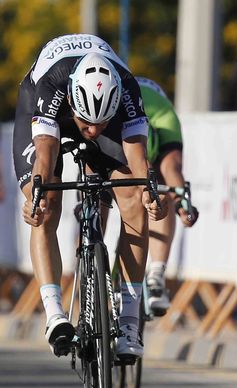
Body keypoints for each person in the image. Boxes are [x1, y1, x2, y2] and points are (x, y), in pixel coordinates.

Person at [13, 34, 167, 359]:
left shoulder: (127, 88)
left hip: (100, 103)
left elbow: (138, 157)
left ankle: (129, 321)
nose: (94, 131)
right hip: (47, 110)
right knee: (45, 205)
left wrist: (149, 193)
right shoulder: (53, 85)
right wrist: (36, 196)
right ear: (73, 101)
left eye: (102, 123)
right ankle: (55, 315)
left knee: (134, 197)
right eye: (88, 122)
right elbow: (45, 153)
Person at [136, 76, 199, 316]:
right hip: (121, 122)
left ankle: (156, 275)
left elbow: (172, 169)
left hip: (157, 110)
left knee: (163, 191)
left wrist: (183, 205)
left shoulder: (165, 121)